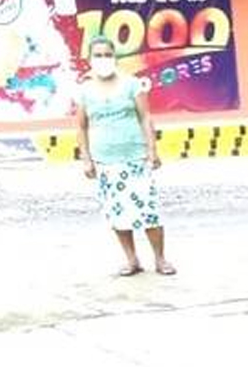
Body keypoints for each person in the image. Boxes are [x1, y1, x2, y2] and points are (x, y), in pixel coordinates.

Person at [74, 36, 175, 277]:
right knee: (118, 213)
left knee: (148, 210)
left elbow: (145, 117)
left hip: (135, 158)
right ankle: (132, 260)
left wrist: (152, 151)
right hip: (105, 162)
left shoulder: (132, 84)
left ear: (115, 57)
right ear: (89, 59)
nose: (103, 59)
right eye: (97, 55)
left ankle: (160, 259)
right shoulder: (84, 91)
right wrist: (86, 158)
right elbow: (81, 126)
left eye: (107, 54)